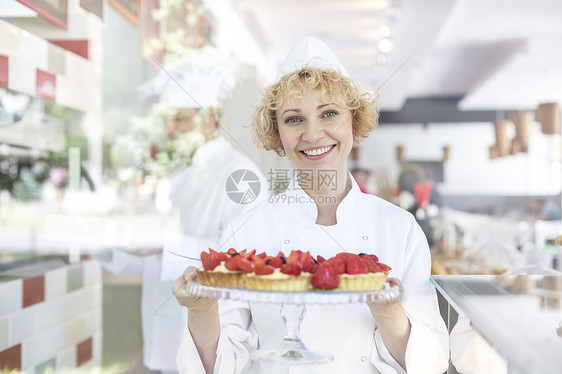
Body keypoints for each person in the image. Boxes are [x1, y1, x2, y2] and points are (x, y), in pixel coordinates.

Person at [172, 37, 449, 374]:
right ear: (277, 134)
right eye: (293, 119)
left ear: (354, 120)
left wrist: (387, 310)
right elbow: (219, 366)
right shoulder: (246, 230)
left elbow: (430, 364)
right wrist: (201, 310)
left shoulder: (400, 228)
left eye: (329, 113)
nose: (313, 134)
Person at [99, 49, 267, 374]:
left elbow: (244, 259)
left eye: (178, 118)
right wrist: (105, 244)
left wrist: (162, 244)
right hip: (164, 333)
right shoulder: (177, 180)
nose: (170, 129)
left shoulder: (241, 174)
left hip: (217, 342)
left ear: (209, 117)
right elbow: (153, 257)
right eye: (166, 120)